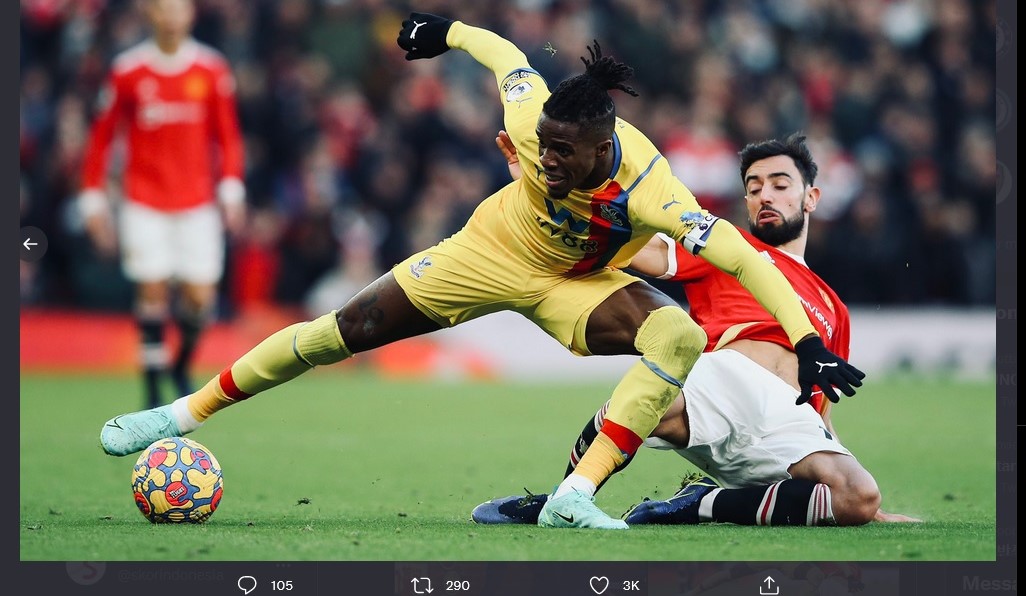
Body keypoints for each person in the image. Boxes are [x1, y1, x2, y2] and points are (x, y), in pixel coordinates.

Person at [99, 14, 863, 530]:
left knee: (676, 335)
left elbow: (740, 257)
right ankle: (179, 414)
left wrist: (805, 340)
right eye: (545, 148)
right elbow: (508, 59)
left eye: (565, 154)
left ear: (604, 151)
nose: (547, 158)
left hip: (575, 285)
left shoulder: (653, 188)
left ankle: (574, 496)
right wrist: (448, 32)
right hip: (487, 253)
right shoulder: (538, 120)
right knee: (341, 332)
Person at [473, 133, 920, 526]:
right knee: (635, 409)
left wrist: (850, 481)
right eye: (754, 188)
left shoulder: (833, 308)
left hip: (789, 422)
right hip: (723, 382)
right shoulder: (726, 247)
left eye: (780, 186)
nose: (765, 196)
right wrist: (542, 193)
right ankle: (561, 497)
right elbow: (633, 249)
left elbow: (821, 410)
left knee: (856, 498)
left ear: (811, 197)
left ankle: (702, 503)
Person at [79, 0, 246, 408]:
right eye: (163, 9)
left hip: (197, 202)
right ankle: (152, 390)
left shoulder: (211, 68)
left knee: (199, 299)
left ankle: (180, 363)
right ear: (150, 14)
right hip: (145, 200)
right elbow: (101, 137)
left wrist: (231, 191)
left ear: (190, 14)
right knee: (151, 290)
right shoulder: (128, 70)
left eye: (178, 9)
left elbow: (227, 135)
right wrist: (93, 198)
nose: (171, 17)